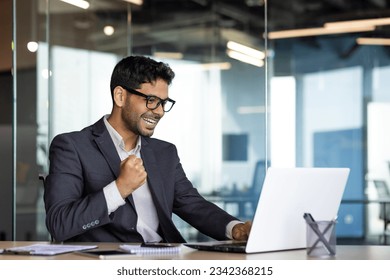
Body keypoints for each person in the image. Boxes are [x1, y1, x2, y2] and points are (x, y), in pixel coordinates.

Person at [44, 55, 252, 243]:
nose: (160, 111)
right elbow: (60, 224)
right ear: (120, 96)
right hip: (108, 266)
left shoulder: (165, 153)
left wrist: (236, 229)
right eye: (151, 101)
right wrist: (119, 188)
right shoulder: (72, 146)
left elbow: (192, 205)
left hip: (166, 261)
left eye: (164, 103)